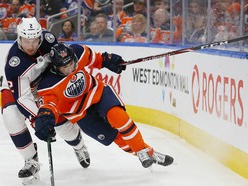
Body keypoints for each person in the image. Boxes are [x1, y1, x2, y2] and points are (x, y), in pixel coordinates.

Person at [34, 43, 174, 169]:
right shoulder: (48, 84)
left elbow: (97, 59)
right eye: (65, 67)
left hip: (97, 93)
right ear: (55, 67)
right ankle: (150, 153)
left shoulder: (78, 51)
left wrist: (109, 60)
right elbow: (48, 106)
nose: (70, 68)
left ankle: (142, 151)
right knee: (115, 137)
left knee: (118, 117)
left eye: (72, 63)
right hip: (79, 114)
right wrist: (45, 117)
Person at [1, 17, 90, 185]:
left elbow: (62, 60)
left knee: (61, 125)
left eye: (34, 40)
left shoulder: (49, 40)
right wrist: (38, 119)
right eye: (26, 41)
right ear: (19, 38)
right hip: (21, 90)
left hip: (45, 84)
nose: (31, 45)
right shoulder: (14, 62)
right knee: (11, 116)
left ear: (40, 37)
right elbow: (23, 98)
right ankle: (31, 160)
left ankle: (79, 146)